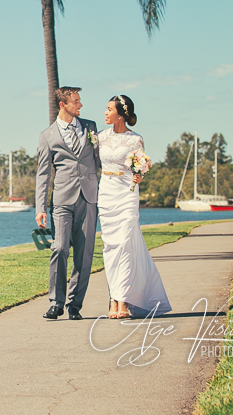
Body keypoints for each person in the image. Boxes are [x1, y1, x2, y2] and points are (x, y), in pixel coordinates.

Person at [97, 95, 171, 319]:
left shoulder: (135, 140)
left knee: (126, 245)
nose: (105, 113)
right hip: (106, 192)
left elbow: (140, 167)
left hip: (127, 192)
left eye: (109, 109)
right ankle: (113, 298)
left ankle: (124, 301)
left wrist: (140, 177)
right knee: (111, 247)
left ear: (121, 113)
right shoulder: (99, 137)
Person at [35, 86, 100, 320]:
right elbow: (43, 174)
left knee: (84, 254)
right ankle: (56, 302)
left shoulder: (90, 127)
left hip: (89, 197)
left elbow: (99, 159)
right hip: (62, 199)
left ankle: (75, 305)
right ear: (63, 105)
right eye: (76, 101)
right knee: (60, 248)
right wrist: (40, 207)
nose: (80, 105)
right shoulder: (47, 136)